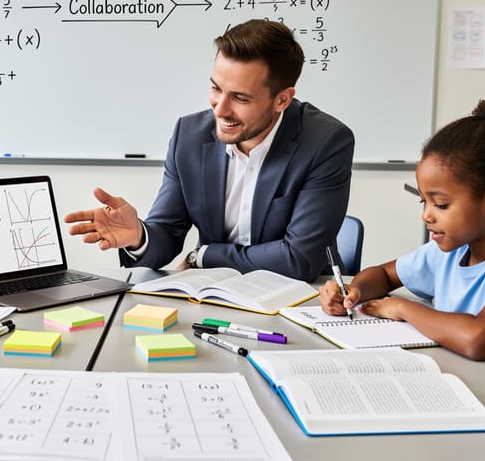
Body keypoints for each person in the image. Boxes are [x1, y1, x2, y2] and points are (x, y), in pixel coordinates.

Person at [320, 98, 485, 428]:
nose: (426, 215)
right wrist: (353, 290)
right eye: (425, 201)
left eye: (440, 204)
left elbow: (479, 339)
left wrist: (402, 308)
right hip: (466, 398)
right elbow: (383, 274)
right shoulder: (448, 251)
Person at [64, 19, 354, 281]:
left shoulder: (326, 142)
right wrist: (139, 236)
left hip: (303, 298)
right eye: (216, 89)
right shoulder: (188, 136)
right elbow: (167, 234)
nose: (221, 109)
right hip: (214, 294)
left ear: (282, 100)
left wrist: (201, 256)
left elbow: (297, 259)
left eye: (240, 97)